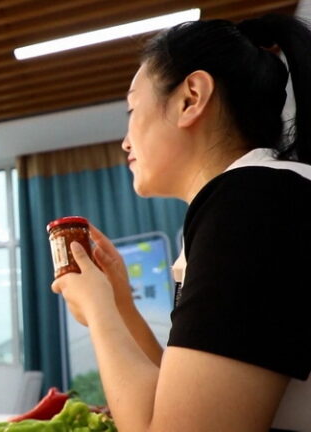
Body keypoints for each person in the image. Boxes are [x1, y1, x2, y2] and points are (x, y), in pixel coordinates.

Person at [51, 13, 311, 432]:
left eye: (132, 109)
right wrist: (120, 306)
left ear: (191, 98)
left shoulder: (254, 202)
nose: (125, 141)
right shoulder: (261, 194)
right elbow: (178, 399)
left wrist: (98, 311)